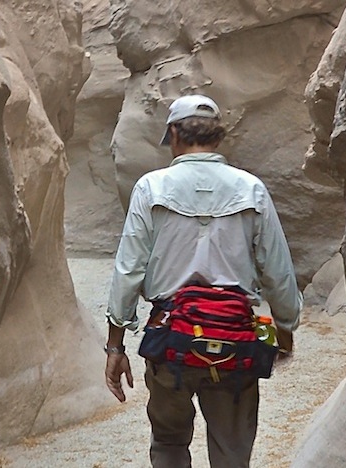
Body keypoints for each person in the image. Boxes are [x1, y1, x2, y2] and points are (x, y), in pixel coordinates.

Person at [103, 94, 303, 467]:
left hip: (170, 338)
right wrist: (285, 330)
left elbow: (128, 270)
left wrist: (115, 347)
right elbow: (278, 270)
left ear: (175, 134)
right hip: (234, 338)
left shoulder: (151, 187)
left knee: (168, 443)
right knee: (232, 452)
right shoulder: (251, 189)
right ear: (218, 137)